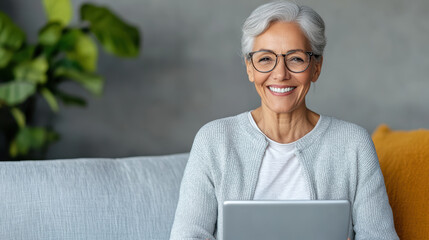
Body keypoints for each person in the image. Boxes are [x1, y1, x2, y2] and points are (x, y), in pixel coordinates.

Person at [170, 1, 399, 239]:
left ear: (316, 67)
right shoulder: (213, 141)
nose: (280, 74)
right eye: (265, 59)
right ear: (250, 68)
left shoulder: (354, 144)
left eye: (296, 59)